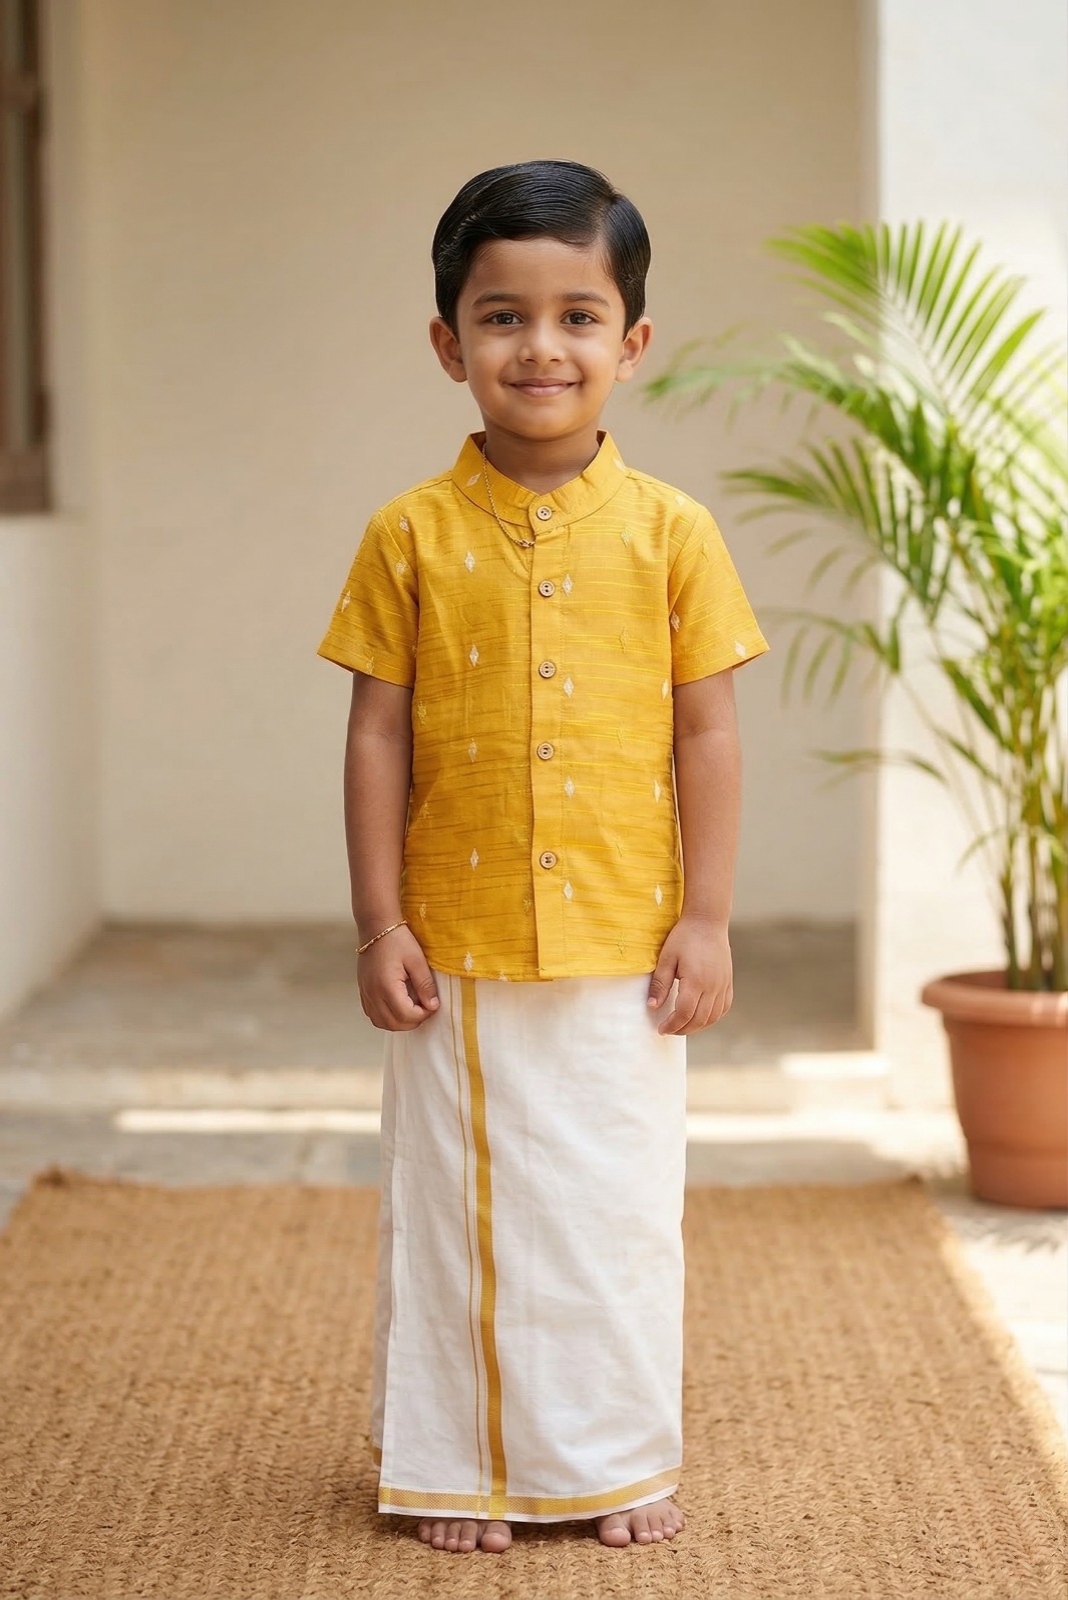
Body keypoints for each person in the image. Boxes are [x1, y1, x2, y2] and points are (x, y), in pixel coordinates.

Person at [317, 159, 769, 1556]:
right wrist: (379, 921)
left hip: (627, 942)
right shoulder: (407, 533)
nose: (541, 347)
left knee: (613, 1213)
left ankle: (614, 1457)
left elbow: (708, 731)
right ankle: (457, 1466)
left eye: (580, 316)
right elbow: (376, 733)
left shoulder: (674, 533)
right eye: (502, 315)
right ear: (448, 341)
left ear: (633, 342)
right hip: (451, 944)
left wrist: (708, 918)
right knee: (456, 1209)